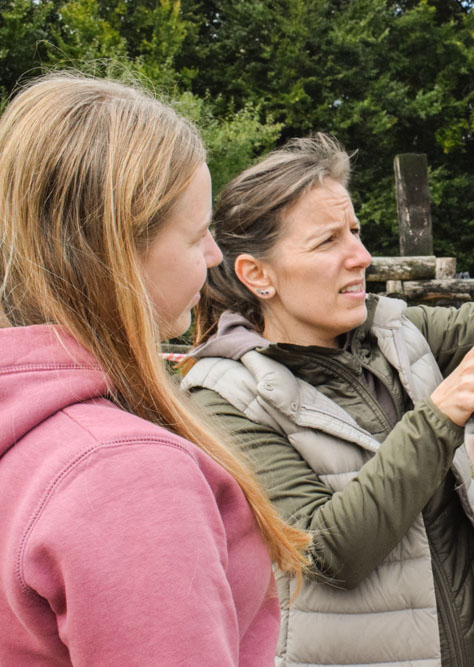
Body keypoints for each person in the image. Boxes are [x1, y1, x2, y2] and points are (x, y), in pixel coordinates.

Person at [183, 133, 474, 667]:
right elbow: (328, 554)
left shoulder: (392, 331)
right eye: (328, 242)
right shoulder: (226, 397)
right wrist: (439, 418)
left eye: (355, 232)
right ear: (258, 276)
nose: (362, 256)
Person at [0, 74, 311, 665]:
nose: (215, 255)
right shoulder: (124, 478)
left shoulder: (26, 429)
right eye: (196, 236)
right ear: (121, 249)